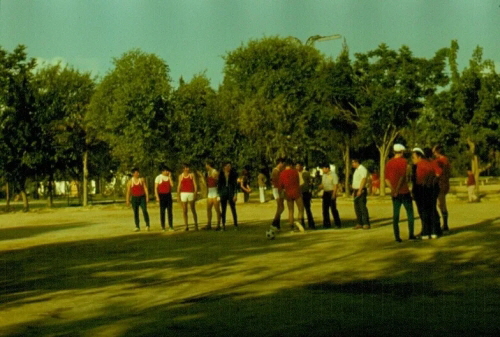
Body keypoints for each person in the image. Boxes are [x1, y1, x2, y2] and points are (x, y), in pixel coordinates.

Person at [385, 144, 416, 242]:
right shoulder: (404, 162)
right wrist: (398, 189)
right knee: (410, 213)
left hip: (394, 193)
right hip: (404, 191)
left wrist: (393, 190)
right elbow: (403, 177)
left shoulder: (389, 163)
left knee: (396, 214)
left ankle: (397, 236)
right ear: (401, 152)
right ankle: (411, 234)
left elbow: (386, 179)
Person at [412, 148, 441, 239]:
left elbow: (417, 180)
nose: (413, 159)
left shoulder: (419, 165)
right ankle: (434, 231)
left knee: (423, 211)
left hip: (421, 189)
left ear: (420, 156)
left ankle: (425, 232)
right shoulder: (431, 163)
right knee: (431, 210)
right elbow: (438, 173)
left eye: (414, 157)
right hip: (431, 189)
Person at [278, 159, 305, 232]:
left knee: (290, 210)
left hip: (288, 193)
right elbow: (301, 183)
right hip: (296, 192)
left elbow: (280, 186)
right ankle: (299, 223)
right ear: (291, 165)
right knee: (301, 208)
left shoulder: (282, 173)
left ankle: (291, 226)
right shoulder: (295, 172)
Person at [432, 145, 451, 232]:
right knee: (442, 204)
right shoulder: (446, 160)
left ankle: (444, 224)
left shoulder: (439, 161)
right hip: (445, 183)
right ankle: (445, 223)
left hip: (440, 184)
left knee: (441, 204)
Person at [317, 163, 341, 229]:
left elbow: (335, 185)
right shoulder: (324, 175)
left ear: (327, 168)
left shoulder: (333, 175)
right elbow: (323, 184)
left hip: (331, 192)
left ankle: (337, 223)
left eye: (323, 168)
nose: (322, 170)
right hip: (325, 192)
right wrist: (318, 189)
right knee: (325, 209)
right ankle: (326, 224)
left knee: (333, 209)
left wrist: (334, 194)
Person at [126, 168, 150, 232]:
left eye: (138, 172)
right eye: (137, 173)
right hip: (134, 198)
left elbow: (145, 188)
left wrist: (147, 197)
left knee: (144, 210)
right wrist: (127, 200)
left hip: (142, 197)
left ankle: (147, 225)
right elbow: (128, 191)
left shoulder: (141, 180)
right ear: (133, 174)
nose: (138, 174)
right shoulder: (130, 182)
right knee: (136, 212)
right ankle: (137, 226)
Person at [218, 161, 239, 230]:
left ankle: (235, 224)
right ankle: (223, 224)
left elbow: (235, 185)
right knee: (223, 209)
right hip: (223, 193)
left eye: (230, 166)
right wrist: (219, 194)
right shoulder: (221, 174)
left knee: (233, 209)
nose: (229, 167)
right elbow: (219, 185)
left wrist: (235, 194)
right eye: (228, 166)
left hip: (231, 192)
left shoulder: (233, 174)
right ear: (224, 167)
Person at [177, 163, 198, 231]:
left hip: (190, 193)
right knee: (184, 210)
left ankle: (196, 224)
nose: (188, 169)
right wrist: (178, 195)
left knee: (193, 209)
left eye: (188, 167)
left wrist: (195, 192)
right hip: (183, 193)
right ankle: (186, 225)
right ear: (183, 169)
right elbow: (179, 186)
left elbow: (195, 184)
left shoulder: (191, 175)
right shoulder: (181, 176)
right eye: (186, 168)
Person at [155, 165, 174, 232]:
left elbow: (172, 185)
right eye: (166, 171)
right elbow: (156, 188)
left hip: (168, 195)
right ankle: (163, 226)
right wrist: (157, 197)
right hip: (162, 196)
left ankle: (171, 226)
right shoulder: (158, 177)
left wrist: (170, 177)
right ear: (162, 171)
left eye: (167, 171)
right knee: (162, 212)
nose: (167, 172)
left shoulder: (168, 178)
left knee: (170, 211)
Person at [352, 158, 370, 229]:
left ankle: (366, 223)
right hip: (356, 189)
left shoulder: (362, 169)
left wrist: (360, 190)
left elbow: (364, 179)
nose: (352, 164)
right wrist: (354, 191)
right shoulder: (356, 170)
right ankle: (359, 222)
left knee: (362, 206)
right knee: (357, 207)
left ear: (357, 162)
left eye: (353, 162)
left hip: (361, 189)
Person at [296, 162, 315, 229]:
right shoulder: (296, 173)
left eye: (298, 166)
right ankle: (302, 224)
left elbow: (310, 182)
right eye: (296, 166)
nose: (297, 168)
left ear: (302, 166)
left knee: (307, 208)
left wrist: (310, 190)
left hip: (305, 192)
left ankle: (311, 224)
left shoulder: (306, 173)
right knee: (301, 209)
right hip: (299, 192)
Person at [204, 160, 221, 230]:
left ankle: (218, 224)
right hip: (210, 191)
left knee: (217, 209)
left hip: (215, 191)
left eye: (206, 165)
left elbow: (218, 182)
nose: (205, 166)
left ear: (208, 165)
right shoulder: (208, 173)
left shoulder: (214, 172)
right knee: (208, 209)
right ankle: (209, 224)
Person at [271, 158, 285, 230]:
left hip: (280, 189)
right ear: (280, 163)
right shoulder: (275, 171)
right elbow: (276, 182)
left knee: (281, 207)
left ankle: (277, 224)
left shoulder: (280, 171)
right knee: (280, 207)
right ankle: (274, 222)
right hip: (277, 189)